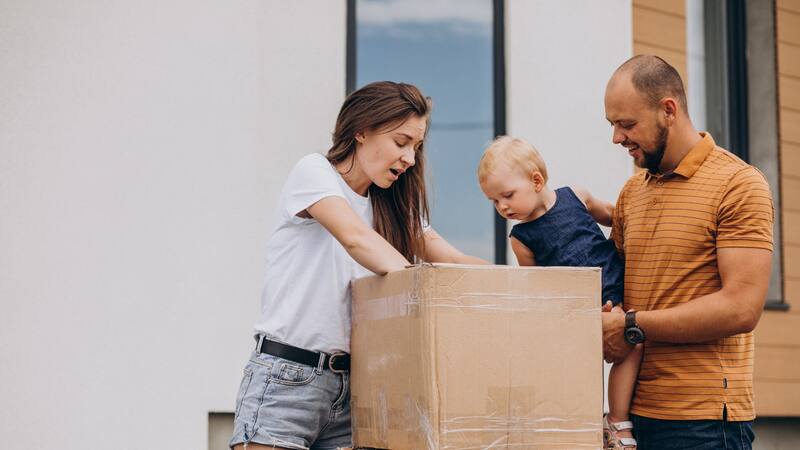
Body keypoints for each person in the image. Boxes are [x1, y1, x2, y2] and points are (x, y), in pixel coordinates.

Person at [229, 81, 486, 450]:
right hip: (288, 380)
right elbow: (356, 239)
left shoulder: (395, 208)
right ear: (361, 130)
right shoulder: (315, 173)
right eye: (401, 142)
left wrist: (536, 285)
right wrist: (418, 293)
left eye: (416, 147)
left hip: (361, 389)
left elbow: (456, 261)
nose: (410, 159)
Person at [602, 55, 774, 450]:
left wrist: (631, 323)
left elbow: (741, 308)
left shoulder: (738, 185)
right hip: (633, 419)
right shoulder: (632, 192)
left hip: (705, 424)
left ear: (668, 110)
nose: (616, 137)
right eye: (611, 124)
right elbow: (619, 288)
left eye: (627, 124)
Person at [477, 136, 639, 450]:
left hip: (618, 289)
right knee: (580, 367)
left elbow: (615, 216)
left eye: (507, 196)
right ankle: (586, 424)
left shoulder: (575, 197)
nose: (502, 207)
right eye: (494, 202)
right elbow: (538, 293)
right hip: (578, 312)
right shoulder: (522, 238)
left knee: (633, 347)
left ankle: (618, 420)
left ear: (536, 180)